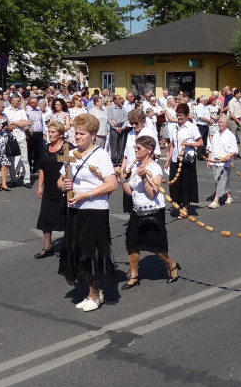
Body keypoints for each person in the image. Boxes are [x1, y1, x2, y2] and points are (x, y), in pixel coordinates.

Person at [58, 114, 119, 312]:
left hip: (94, 210)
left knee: (88, 253)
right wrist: (63, 184)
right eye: (76, 133)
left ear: (93, 135)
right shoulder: (71, 153)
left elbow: (112, 184)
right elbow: (59, 180)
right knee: (76, 251)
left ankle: (96, 293)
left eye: (81, 133)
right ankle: (91, 292)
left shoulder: (100, 155)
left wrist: (87, 194)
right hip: (74, 209)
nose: (77, 137)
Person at [121, 135, 181, 289]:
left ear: (148, 150)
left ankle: (172, 266)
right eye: (135, 147)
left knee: (157, 248)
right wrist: (121, 177)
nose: (135, 150)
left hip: (152, 212)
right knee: (132, 244)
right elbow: (129, 191)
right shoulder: (136, 166)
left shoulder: (155, 169)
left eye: (138, 148)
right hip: (137, 211)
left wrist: (144, 178)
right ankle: (134, 276)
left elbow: (152, 193)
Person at [34, 121, 68, 259]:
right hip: (48, 188)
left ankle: (68, 247)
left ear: (60, 134)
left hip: (62, 189)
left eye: (53, 132)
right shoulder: (46, 147)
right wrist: (39, 186)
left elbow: (71, 167)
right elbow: (42, 168)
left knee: (66, 220)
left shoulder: (67, 148)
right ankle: (48, 246)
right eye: (49, 131)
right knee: (45, 219)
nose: (50, 134)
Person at [167, 103, 203, 217]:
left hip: (187, 159)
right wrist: (168, 160)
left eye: (182, 115)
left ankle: (185, 206)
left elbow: (200, 142)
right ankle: (177, 204)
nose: (179, 117)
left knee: (186, 183)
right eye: (178, 115)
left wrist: (190, 144)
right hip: (175, 159)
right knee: (174, 183)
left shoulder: (192, 127)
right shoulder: (175, 128)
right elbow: (172, 145)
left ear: (187, 115)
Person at [207, 114, 238, 208]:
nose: (219, 124)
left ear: (227, 124)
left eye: (221, 122)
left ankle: (216, 201)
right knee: (217, 179)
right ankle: (229, 196)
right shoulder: (216, 134)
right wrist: (209, 160)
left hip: (225, 162)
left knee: (221, 180)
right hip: (215, 160)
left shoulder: (230, 135)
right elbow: (211, 148)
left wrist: (229, 156)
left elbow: (234, 149)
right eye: (219, 122)